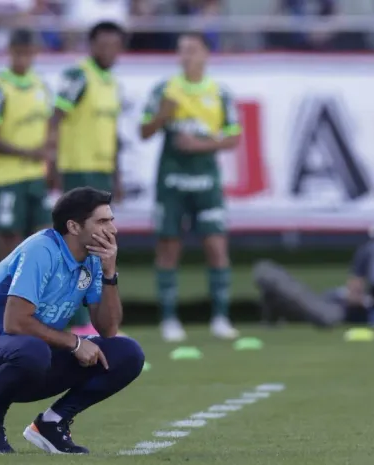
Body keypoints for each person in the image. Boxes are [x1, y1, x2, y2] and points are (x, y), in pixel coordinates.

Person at [0, 187, 145, 455]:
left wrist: (109, 272)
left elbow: (108, 328)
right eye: (103, 221)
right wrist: (75, 342)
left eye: (111, 220)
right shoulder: (41, 250)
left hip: (32, 356)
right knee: (32, 349)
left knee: (127, 353)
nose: (112, 229)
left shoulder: (92, 259)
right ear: (74, 226)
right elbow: (15, 323)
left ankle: (52, 424)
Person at [140, 32, 241, 342]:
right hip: (171, 182)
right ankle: (169, 320)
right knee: (169, 248)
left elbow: (234, 138)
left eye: (192, 50)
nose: (186, 56)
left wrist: (199, 144)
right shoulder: (164, 90)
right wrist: (162, 116)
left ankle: (221, 318)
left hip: (206, 181)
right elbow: (144, 131)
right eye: (182, 50)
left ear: (205, 55)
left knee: (216, 247)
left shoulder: (219, 93)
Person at [49, 21, 124, 336]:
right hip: (78, 170)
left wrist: (116, 172)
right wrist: (51, 163)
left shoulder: (111, 83)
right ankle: (76, 320)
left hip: (101, 171)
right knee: (78, 245)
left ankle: (92, 318)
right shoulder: (78, 76)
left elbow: (111, 134)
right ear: (91, 45)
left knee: (102, 247)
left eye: (114, 45)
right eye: (103, 45)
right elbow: (56, 118)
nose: (108, 51)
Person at [0, 27, 52, 262]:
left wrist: (52, 159)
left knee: (41, 237)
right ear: (9, 52)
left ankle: (33, 296)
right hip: (5, 177)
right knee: (10, 238)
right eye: (19, 53)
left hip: (35, 174)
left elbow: (49, 129)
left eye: (28, 54)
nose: (23, 59)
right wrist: (28, 152)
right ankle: (4, 295)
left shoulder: (40, 86)